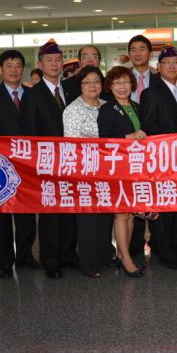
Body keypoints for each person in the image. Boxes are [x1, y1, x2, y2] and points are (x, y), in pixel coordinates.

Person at [0, 49, 39, 279]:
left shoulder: (32, 95)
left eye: (18, 66)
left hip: (28, 167)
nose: (14, 70)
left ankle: (24, 256)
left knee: (26, 215)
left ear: (23, 69)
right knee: (1, 217)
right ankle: (4, 262)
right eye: (9, 66)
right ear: (0, 70)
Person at [20, 38, 78, 280]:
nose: (54, 64)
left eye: (58, 60)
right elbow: (29, 134)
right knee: (51, 215)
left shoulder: (71, 90)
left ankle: (68, 254)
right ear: (40, 64)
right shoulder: (32, 95)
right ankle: (51, 260)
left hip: (72, 161)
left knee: (70, 210)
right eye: (49, 60)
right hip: (47, 163)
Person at [140, 45, 177, 270]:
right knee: (164, 211)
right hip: (163, 160)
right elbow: (149, 127)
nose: (172, 67)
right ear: (158, 67)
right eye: (167, 63)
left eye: (176, 63)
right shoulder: (151, 93)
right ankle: (165, 253)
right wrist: (175, 134)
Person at [97, 66, 147, 278]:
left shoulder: (137, 107)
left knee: (131, 213)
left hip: (135, 166)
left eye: (125, 82)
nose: (122, 86)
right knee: (122, 213)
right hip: (117, 166)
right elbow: (104, 139)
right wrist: (128, 137)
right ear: (110, 86)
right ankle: (126, 259)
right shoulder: (107, 109)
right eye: (117, 83)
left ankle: (121, 254)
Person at [63, 66, 111, 278]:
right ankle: (88, 262)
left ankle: (105, 255)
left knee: (105, 216)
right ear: (80, 85)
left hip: (108, 171)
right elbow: (72, 144)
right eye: (87, 82)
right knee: (88, 218)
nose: (92, 85)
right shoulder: (73, 110)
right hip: (85, 171)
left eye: (97, 81)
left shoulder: (107, 106)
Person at [126, 34, 159, 256]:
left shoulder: (159, 77)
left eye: (141, 49)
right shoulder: (121, 78)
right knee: (134, 193)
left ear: (149, 53)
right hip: (130, 146)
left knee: (156, 193)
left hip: (155, 146)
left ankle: (158, 243)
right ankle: (134, 245)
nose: (137, 53)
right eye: (133, 49)